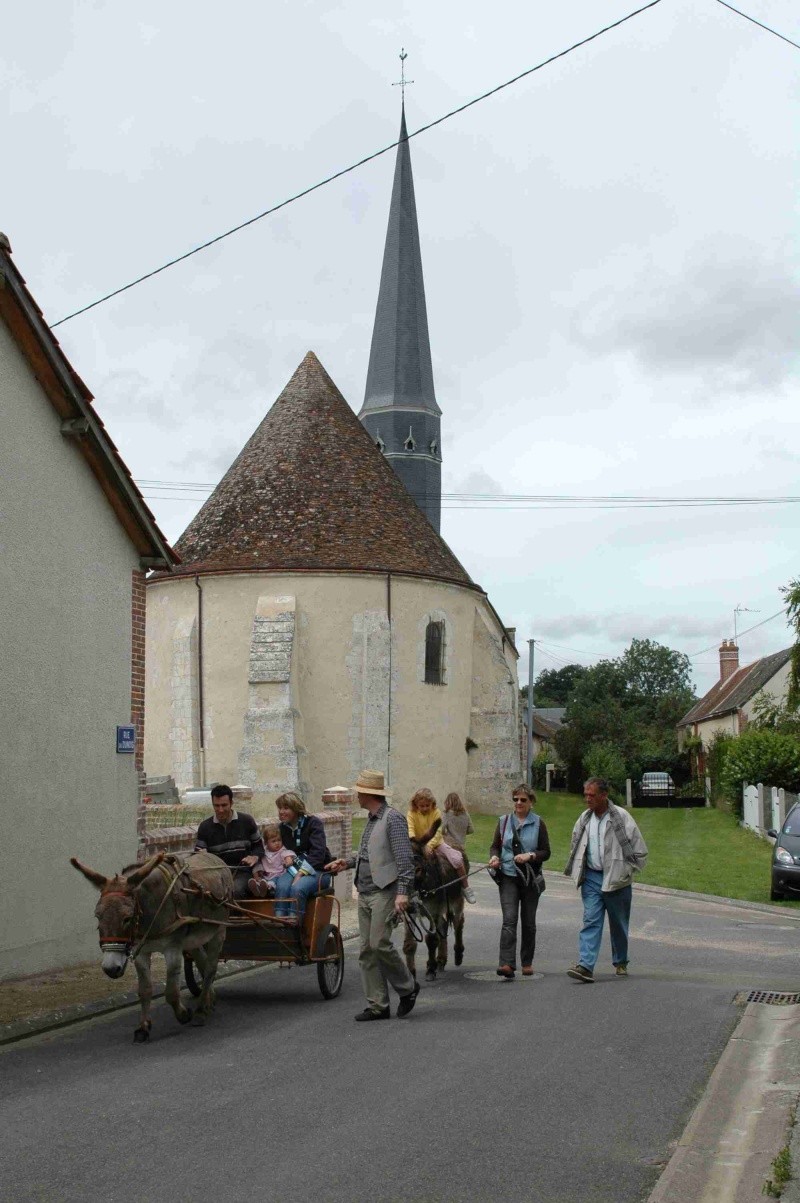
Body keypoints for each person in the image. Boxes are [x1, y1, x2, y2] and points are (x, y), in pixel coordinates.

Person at [326, 769, 420, 1021]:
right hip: (365, 891)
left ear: (369, 793)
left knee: (380, 943)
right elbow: (368, 855)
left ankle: (408, 988)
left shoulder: (393, 819)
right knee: (367, 949)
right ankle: (378, 1005)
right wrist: (345, 863)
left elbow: (405, 861)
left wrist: (402, 893)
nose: (356, 795)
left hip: (385, 892)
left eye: (359, 791)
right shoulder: (371, 820)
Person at [564, 776, 649, 983]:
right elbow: (575, 844)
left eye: (592, 795)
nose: (587, 799)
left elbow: (640, 849)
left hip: (617, 879)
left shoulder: (621, 817)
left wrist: (626, 872)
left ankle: (620, 961)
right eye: (586, 795)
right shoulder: (584, 819)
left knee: (618, 923)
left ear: (604, 795)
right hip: (592, 877)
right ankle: (585, 966)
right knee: (591, 920)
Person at [487, 784, 550, 979]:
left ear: (531, 801)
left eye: (523, 800)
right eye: (515, 799)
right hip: (508, 877)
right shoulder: (504, 821)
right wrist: (494, 858)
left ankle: (527, 962)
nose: (519, 803)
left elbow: (546, 852)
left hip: (530, 880)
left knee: (529, 923)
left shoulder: (539, 823)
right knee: (509, 920)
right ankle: (506, 964)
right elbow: (495, 846)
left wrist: (530, 855)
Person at [195, 784, 264, 899]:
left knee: (234, 891)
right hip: (216, 874)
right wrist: (202, 855)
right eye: (216, 806)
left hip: (242, 872)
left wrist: (254, 857)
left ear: (231, 803)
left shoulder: (247, 821)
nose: (220, 810)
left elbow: (259, 847)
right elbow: (198, 853)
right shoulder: (205, 827)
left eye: (224, 805)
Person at [271, 793, 331, 924]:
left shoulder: (313, 823)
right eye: (279, 808)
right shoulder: (282, 828)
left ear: (296, 808)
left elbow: (318, 853)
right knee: (281, 886)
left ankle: (294, 927)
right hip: (293, 869)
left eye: (285, 808)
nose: (281, 812)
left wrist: (301, 873)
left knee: (298, 888)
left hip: (318, 870)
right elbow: (280, 850)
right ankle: (279, 925)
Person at [441, 791, 477, 904]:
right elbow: (471, 830)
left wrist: (447, 834)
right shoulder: (465, 814)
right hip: (462, 848)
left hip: (450, 847)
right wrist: (461, 833)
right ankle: (464, 888)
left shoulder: (447, 813)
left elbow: (441, 828)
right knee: (463, 872)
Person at [247, 823, 287, 898]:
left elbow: (288, 855)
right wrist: (256, 873)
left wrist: (287, 861)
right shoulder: (263, 851)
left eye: (279, 840)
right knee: (261, 880)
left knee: (273, 881)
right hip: (266, 875)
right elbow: (259, 862)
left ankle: (267, 888)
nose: (277, 843)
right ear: (266, 843)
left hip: (278, 874)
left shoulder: (282, 850)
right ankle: (257, 887)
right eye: (273, 841)